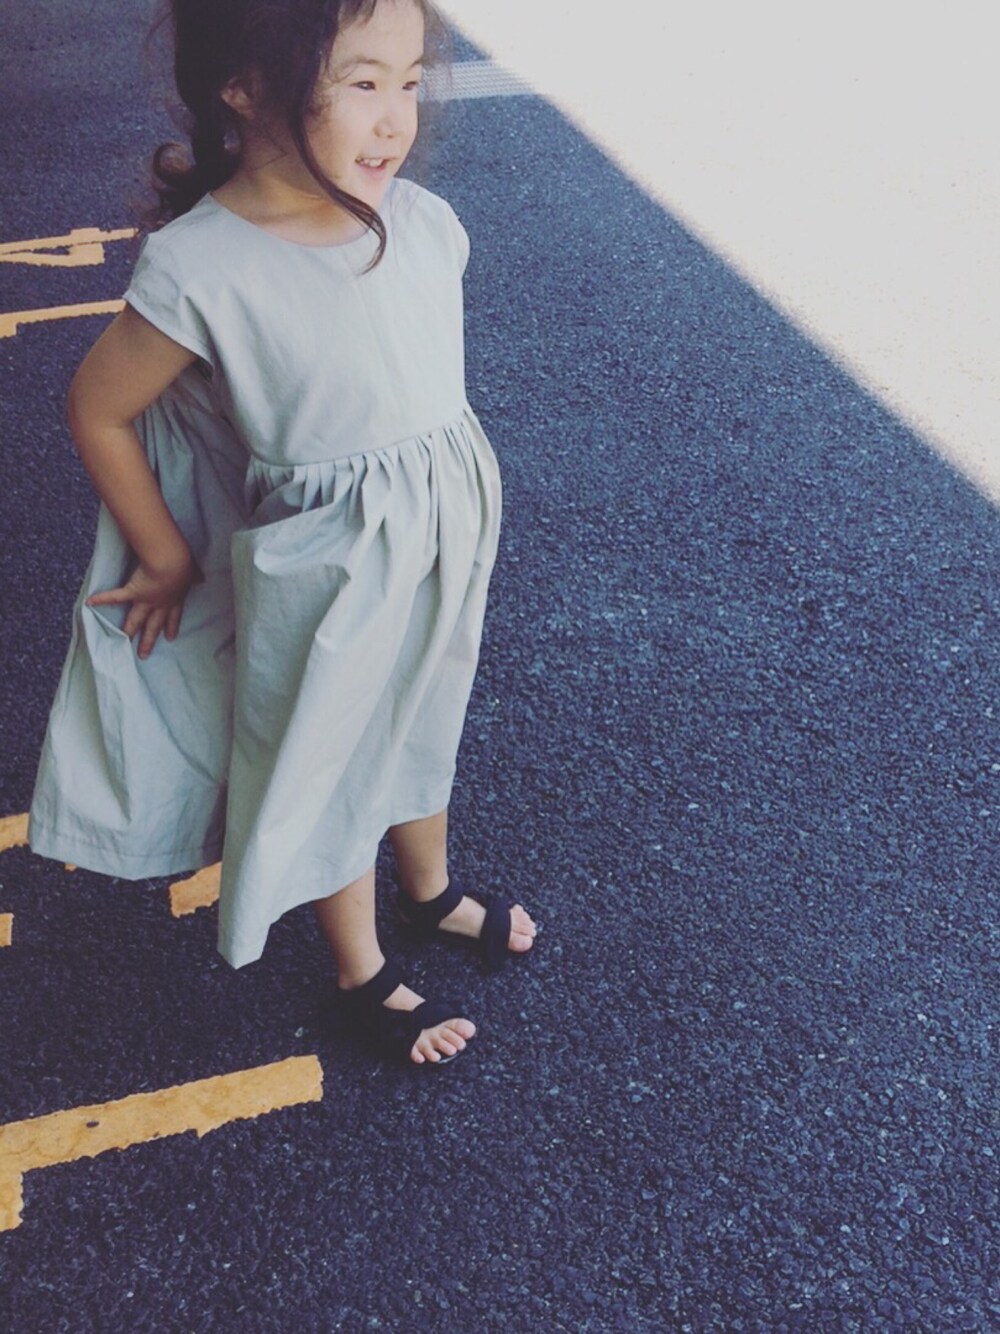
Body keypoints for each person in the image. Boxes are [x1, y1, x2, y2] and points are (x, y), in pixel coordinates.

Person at [28, 0, 536, 1066]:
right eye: (362, 83)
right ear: (246, 87)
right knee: (334, 753)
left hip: (441, 540)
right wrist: (166, 553)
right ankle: (363, 969)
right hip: (328, 570)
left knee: (424, 706)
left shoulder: (426, 225)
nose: (397, 118)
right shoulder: (204, 266)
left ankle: (429, 887)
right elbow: (99, 408)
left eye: (410, 81)